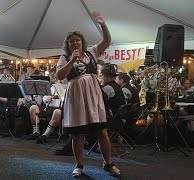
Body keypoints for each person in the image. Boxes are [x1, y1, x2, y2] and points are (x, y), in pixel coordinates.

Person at [56, 12, 120, 177]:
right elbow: (60, 76)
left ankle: (108, 163)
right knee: (78, 133)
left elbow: (106, 41)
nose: (75, 43)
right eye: (71, 41)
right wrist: (72, 60)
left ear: (82, 42)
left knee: (102, 131)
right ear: (67, 44)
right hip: (76, 96)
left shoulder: (92, 51)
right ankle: (79, 165)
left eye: (77, 40)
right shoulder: (64, 58)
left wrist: (103, 25)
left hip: (93, 96)